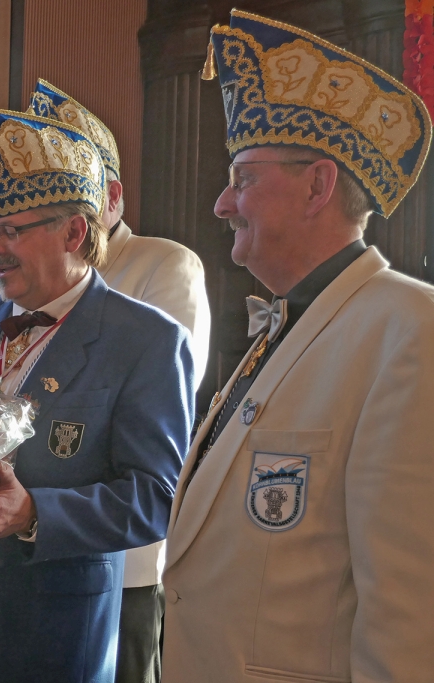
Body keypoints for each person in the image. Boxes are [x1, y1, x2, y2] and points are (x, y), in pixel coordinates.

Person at [162, 10, 434, 682]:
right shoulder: (288, 323)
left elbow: (409, 618)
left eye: (244, 179)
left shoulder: (410, 330)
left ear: (318, 185)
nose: (222, 203)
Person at [0, 107, 195, 683]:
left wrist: (34, 512)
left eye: (12, 230)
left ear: (75, 233)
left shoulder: (148, 340)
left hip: (48, 633)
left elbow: (158, 498)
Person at [31, 80, 211, 683]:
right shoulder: (38, 274)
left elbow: (167, 391)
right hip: (31, 536)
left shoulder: (165, 263)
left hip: (119, 546)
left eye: (76, 191)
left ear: (110, 196)